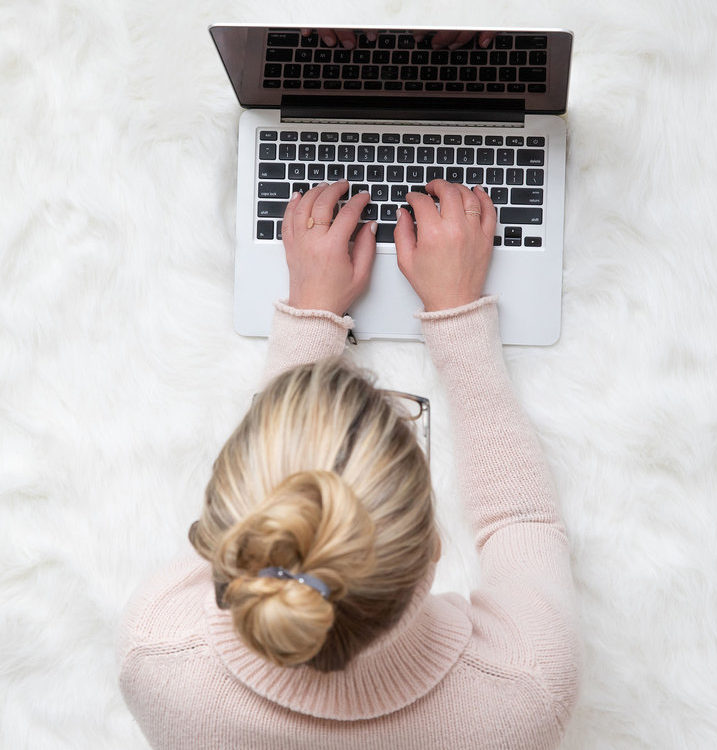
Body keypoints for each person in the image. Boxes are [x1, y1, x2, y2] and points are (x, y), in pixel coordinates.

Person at [118, 179, 581, 749]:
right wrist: (458, 316)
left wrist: (309, 312)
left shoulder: (157, 654)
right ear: (434, 548)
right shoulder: (521, 692)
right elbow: (521, 522)